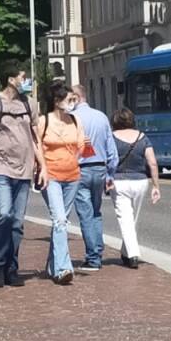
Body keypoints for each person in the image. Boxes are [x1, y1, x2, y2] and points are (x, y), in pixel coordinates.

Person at [0, 61, 48, 289]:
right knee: (3, 213)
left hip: (23, 169)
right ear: (11, 79)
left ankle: (11, 267)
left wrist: (42, 166)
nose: (26, 82)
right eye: (23, 77)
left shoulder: (29, 104)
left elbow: (35, 139)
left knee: (17, 222)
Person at [38, 83, 88, 285]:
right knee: (59, 220)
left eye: (74, 99)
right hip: (51, 177)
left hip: (72, 176)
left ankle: (52, 265)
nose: (73, 103)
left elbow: (82, 146)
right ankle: (63, 269)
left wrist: (77, 155)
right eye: (69, 100)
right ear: (57, 102)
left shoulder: (76, 121)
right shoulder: (44, 121)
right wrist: (42, 168)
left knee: (61, 222)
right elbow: (37, 146)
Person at [70, 84, 117, 272]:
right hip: (100, 168)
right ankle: (97, 250)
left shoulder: (72, 118)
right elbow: (111, 148)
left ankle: (93, 257)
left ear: (75, 98)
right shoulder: (101, 117)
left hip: (79, 169)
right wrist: (110, 173)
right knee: (96, 211)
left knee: (85, 214)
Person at [108, 107, 160, 269]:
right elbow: (152, 162)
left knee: (126, 219)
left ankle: (133, 254)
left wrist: (106, 177)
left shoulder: (111, 138)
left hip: (119, 181)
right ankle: (126, 252)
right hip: (140, 181)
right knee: (132, 219)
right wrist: (156, 185)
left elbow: (107, 159)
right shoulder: (142, 137)